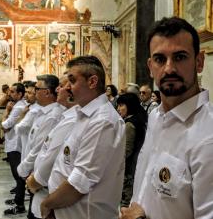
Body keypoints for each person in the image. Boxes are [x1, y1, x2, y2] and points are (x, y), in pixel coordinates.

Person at [120, 16, 213, 219]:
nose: (169, 68)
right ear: (151, 66)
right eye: (160, 59)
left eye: (180, 57)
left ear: (199, 62)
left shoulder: (208, 134)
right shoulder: (155, 117)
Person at [41, 56, 126, 219]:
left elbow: (79, 183)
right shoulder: (85, 114)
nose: (67, 88)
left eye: (72, 81)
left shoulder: (102, 121)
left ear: (92, 82)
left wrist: (47, 203)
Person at [26, 73, 78, 219]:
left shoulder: (69, 118)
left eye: (61, 86)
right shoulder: (66, 115)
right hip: (44, 188)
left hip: (51, 192)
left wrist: (35, 180)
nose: (57, 90)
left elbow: (51, 156)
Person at [116, 93, 147, 207]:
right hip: (135, 166)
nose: (118, 109)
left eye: (121, 105)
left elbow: (126, 151)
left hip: (128, 169)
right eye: (118, 106)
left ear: (130, 105)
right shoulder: (139, 119)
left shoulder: (130, 124)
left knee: (125, 204)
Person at [1, 83, 27, 215]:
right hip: (14, 143)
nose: (9, 94)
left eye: (12, 91)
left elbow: (5, 126)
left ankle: (20, 204)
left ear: (20, 94)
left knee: (18, 176)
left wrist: (6, 112)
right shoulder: (18, 106)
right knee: (18, 175)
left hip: (15, 144)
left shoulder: (18, 108)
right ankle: (18, 198)